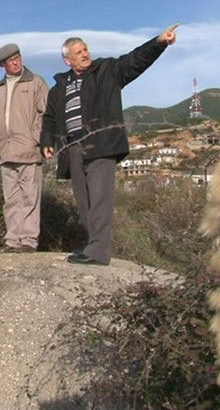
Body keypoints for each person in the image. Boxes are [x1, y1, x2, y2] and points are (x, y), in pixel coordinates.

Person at [41, 24, 179, 265]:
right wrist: (46, 141)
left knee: (100, 198)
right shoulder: (59, 88)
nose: (85, 54)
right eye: (79, 52)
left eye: (85, 49)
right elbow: (50, 117)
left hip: (101, 145)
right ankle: (91, 245)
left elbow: (136, 60)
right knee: (84, 202)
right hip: (72, 149)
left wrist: (159, 42)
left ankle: (99, 252)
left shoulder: (108, 71)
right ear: (68, 60)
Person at [0, 43, 49, 253]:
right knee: (11, 200)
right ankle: (12, 241)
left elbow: (46, 113)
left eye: (18, 57)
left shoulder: (36, 82)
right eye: (10, 60)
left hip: (29, 150)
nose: (16, 62)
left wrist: (36, 138)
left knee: (30, 198)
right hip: (5, 152)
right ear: (2, 65)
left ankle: (29, 241)